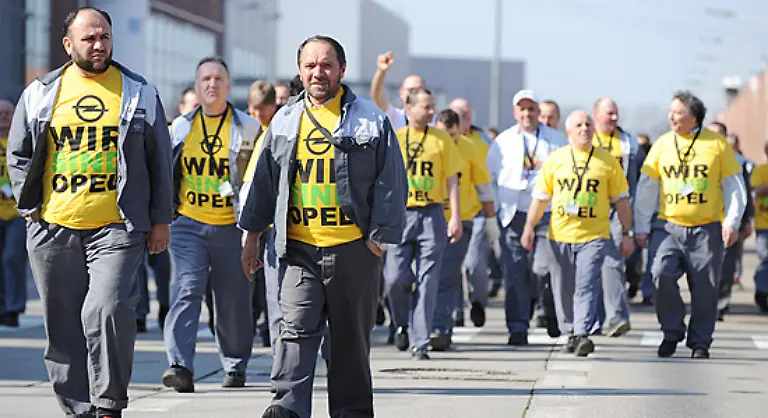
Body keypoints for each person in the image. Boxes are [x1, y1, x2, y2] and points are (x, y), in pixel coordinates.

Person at [6, 7, 173, 417]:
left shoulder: (139, 91)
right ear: (68, 45)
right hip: (52, 228)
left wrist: (160, 219)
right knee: (62, 326)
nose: (99, 45)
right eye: (89, 39)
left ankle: (108, 403)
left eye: (105, 37)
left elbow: (159, 161)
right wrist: (31, 209)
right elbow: (19, 155)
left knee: (108, 307)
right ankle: (77, 407)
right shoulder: (41, 92)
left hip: (117, 226)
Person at [240, 35, 407, 418]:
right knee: (294, 332)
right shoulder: (283, 119)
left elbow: (391, 182)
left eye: (327, 65)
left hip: (354, 250)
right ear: (300, 71)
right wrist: (251, 237)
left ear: (342, 70)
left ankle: (351, 412)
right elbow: (264, 184)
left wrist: (378, 241)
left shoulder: (370, 119)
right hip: (298, 250)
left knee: (349, 344)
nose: (319, 72)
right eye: (310, 65)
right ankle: (286, 408)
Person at [162, 56, 259, 392]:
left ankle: (235, 364)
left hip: (232, 227)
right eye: (205, 79)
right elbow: (165, 173)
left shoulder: (248, 128)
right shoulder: (181, 127)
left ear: (228, 85)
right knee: (186, 290)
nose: (212, 84)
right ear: (197, 85)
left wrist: (253, 231)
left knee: (231, 300)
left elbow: (253, 180)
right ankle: (179, 365)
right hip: (187, 225)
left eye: (218, 78)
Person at [634, 91, 746, 359]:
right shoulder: (662, 144)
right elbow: (647, 188)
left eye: (678, 112)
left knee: (706, 288)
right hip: (668, 226)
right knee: (660, 274)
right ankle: (672, 331)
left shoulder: (717, 145)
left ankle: (700, 342)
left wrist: (731, 222)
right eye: (671, 111)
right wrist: (640, 226)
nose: (672, 116)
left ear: (693, 117)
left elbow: (733, 187)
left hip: (706, 229)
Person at [523, 110, 634, 357]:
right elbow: (540, 199)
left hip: (593, 235)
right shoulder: (556, 159)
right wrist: (529, 227)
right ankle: (570, 331)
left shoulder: (607, 162)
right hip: (559, 235)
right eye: (579, 125)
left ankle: (583, 332)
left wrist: (627, 232)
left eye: (588, 124)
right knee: (562, 286)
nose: (584, 129)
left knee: (586, 284)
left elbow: (622, 201)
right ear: (569, 132)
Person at [384, 87, 462, 359]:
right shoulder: (396, 137)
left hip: (431, 213)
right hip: (400, 214)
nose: (431, 112)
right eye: (426, 107)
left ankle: (421, 340)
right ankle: (401, 323)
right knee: (395, 278)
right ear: (409, 108)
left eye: (432, 107)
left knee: (428, 278)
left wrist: (455, 216)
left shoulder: (441, 139)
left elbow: (452, 179)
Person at [487, 89, 568, 343]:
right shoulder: (503, 141)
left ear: (538, 112)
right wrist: (497, 211)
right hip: (513, 215)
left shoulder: (556, 140)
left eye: (531, 109)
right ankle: (518, 327)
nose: (527, 114)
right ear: (515, 112)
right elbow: (489, 179)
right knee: (515, 273)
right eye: (522, 109)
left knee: (543, 268)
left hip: (547, 214)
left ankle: (550, 312)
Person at [430, 109, 497, 351]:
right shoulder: (427, 144)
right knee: (425, 277)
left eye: (452, 135)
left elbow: (483, 186)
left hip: (462, 220)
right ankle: (414, 326)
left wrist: (491, 221)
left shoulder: (470, 148)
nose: (447, 140)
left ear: (459, 130)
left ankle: (441, 329)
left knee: (447, 275)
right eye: (442, 133)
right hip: (428, 218)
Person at [136, 89, 198, 333]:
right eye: (190, 105)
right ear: (180, 107)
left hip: (166, 214)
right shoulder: (170, 134)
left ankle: (164, 308)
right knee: (137, 267)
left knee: (164, 268)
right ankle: (139, 313)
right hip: (139, 211)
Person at [591, 97, 644, 337]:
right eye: (608, 113)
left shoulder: (629, 143)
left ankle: (617, 316)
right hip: (589, 207)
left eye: (615, 113)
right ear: (595, 114)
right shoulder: (586, 138)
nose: (613, 118)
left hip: (618, 206)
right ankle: (593, 317)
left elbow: (641, 178)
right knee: (590, 263)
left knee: (613, 260)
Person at [449, 98, 494, 327]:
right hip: (449, 215)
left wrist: (491, 218)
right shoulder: (444, 141)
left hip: (475, 214)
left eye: (464, 115)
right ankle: (455, 311)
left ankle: (478, 300)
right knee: (451, 265)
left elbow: (487, 183)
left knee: (474, 263)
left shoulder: (482, 143)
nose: (461, 120)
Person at [707, 122, 753, 320]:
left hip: (729, 221)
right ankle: (706, 302)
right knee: (704, 266)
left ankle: (720, 303)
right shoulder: (696, 158)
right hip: (703, 220)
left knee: (726, 266)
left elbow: (744, 193)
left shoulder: (736, 161)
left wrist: (745, 220)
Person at [0, 100, 27, 328]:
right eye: (0, 113)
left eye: (8, 113)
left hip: (18, 212)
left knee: (12, 258)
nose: (4, 117)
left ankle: (13, 308)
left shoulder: (21, 139)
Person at [371, 51, 425, 130]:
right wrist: (381, 71)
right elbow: (378, 96)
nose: (415, 94)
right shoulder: (395, 116)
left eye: (419, 90)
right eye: (411, 90)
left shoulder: (433, 120)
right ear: (401, 94)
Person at [750, 142, 768, 312]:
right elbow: (756, 191)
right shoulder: (761, 170)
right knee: (766, 259)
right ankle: (762, 291)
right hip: (764, 224)